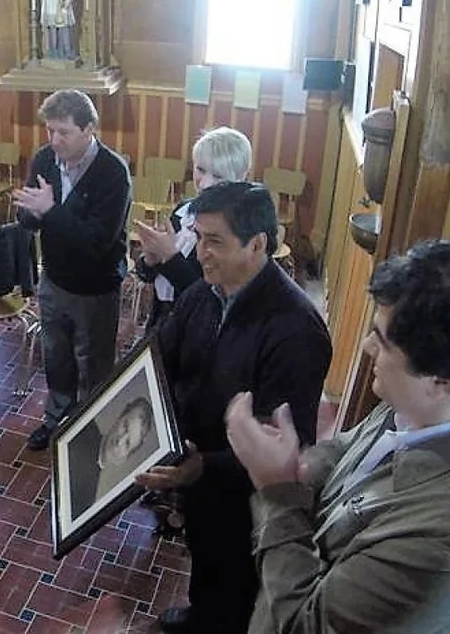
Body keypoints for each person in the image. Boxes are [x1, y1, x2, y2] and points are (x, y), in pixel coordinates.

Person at [227, 239, 450, 633]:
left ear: (440, 380)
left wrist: (278, 490)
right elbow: (353, 447)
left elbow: (307, 626)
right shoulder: (435, 400)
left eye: (382, 340)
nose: (366, 346)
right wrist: (296, 462)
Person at [137, 181, 331, 634]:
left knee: (236, 586)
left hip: (246, 495)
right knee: (204, 557)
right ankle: (199, 613)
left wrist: (205, 467)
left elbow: (286, 442)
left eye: (215, 241)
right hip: (199, 466)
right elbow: (162, 357)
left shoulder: (296, 330)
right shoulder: (204, 293)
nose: (200, 252)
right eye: (198, 237)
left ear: (258, 244)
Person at [13, 88, 131, 451]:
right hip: (55, 280)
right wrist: (31, 212)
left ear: (89, 129)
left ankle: (92, 434)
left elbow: (98, 241)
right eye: (50, 131)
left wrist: (51, 212)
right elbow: (29, 220)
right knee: (57, 359)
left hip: (96, 288)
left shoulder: (112, 172)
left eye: (64, 132)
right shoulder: (45, 159)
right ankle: (55, 420)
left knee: (94, 366)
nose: (54, 140)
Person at [134, 126, 253, 330]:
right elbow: (148, 275)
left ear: (240, 178)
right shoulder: (183, 210)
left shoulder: (237, 231)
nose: (205, 184)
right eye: (200, 170)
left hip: (198, 332)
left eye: (218, 176)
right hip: (162, 322)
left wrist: (170, 256)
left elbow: (210, 298)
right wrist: (150, 260)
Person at [67, 394, 155, 520]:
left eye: (127, 443)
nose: (120, 441)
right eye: (125, 426)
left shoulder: (89, 495)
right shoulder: (83, 428)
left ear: (125, 457)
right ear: (118, 418)